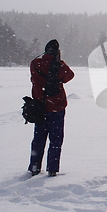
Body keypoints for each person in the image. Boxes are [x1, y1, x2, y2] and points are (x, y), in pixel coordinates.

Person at [28, 39, 74, 177]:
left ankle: (35, 167)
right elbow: (69, 76)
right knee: (56, 139)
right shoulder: (59, 65)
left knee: (38, 138)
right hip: (57, 107)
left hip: (40, 106)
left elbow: (34, 78)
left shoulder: (35, 63)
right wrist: (60, 62)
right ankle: (52, 168)